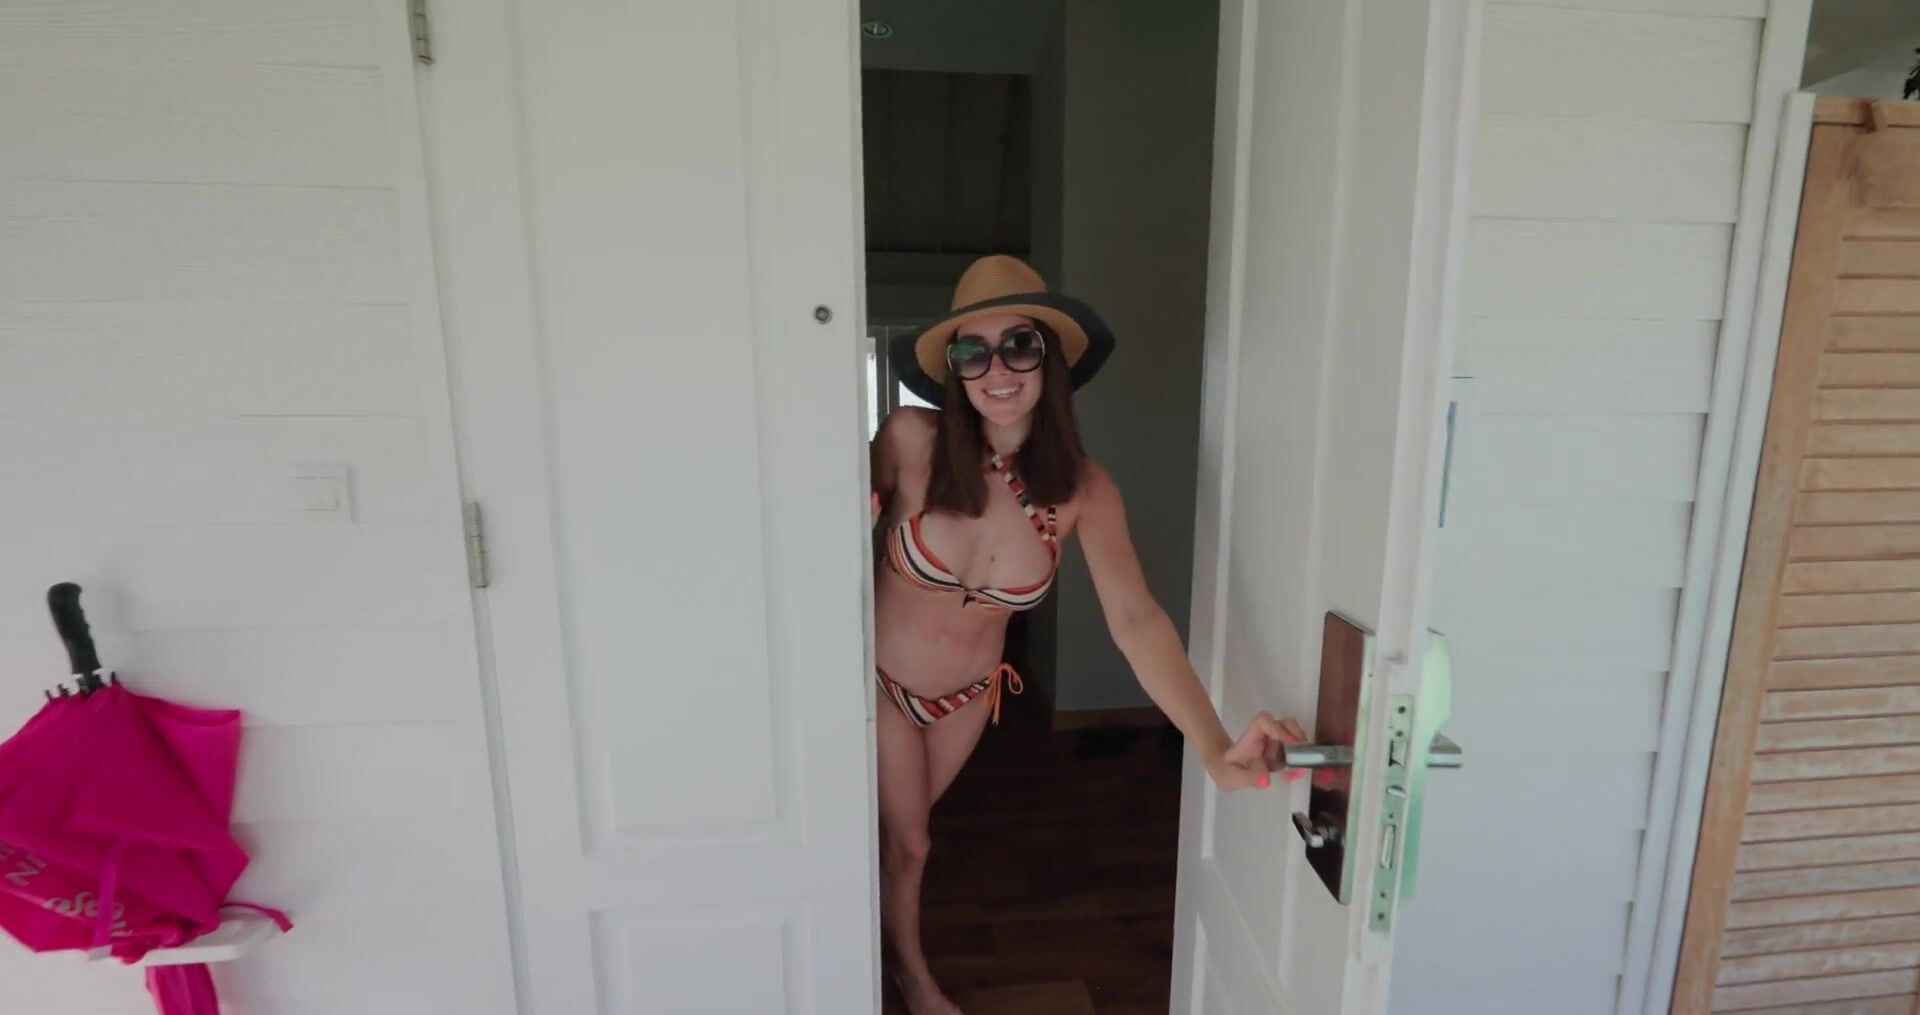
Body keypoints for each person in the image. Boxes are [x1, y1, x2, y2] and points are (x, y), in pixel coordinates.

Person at [870, 255, 1305, 1014]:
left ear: (1050, 360)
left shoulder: (1084, 491)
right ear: (954, 371)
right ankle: (908, 976)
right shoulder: (910, 439)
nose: (996, 370)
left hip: (965, 698)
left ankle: (875, 956)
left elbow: (1137, 621)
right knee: (907, 843)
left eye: (1019, 345)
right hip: (875, 681)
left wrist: (1212, 747)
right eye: (973, 352)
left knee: (897, 840)